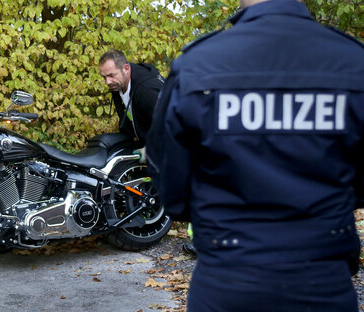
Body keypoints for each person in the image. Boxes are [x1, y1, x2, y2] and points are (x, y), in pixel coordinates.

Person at [146, 0, 364, 311]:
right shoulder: (353, 61)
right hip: (322, 279)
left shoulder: (198, 64)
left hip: (227, 280)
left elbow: (172, 188)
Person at [98, 49, 164, 154]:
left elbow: (174, 126)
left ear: (126, 68)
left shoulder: (147, 91)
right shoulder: (118, 85)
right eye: (104, 77)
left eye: (111, 75)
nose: (107, 82)